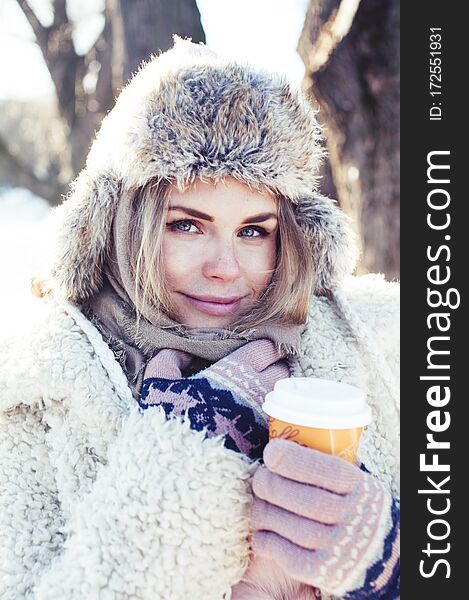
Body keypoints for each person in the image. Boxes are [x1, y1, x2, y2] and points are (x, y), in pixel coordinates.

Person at [0, 37, 399, 599]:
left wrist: (395, 567)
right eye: (186, 224)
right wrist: (181, 457)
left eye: (254, 230)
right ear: (117, 224)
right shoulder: (30, 393)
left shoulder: (377, 344)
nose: (225, 267)